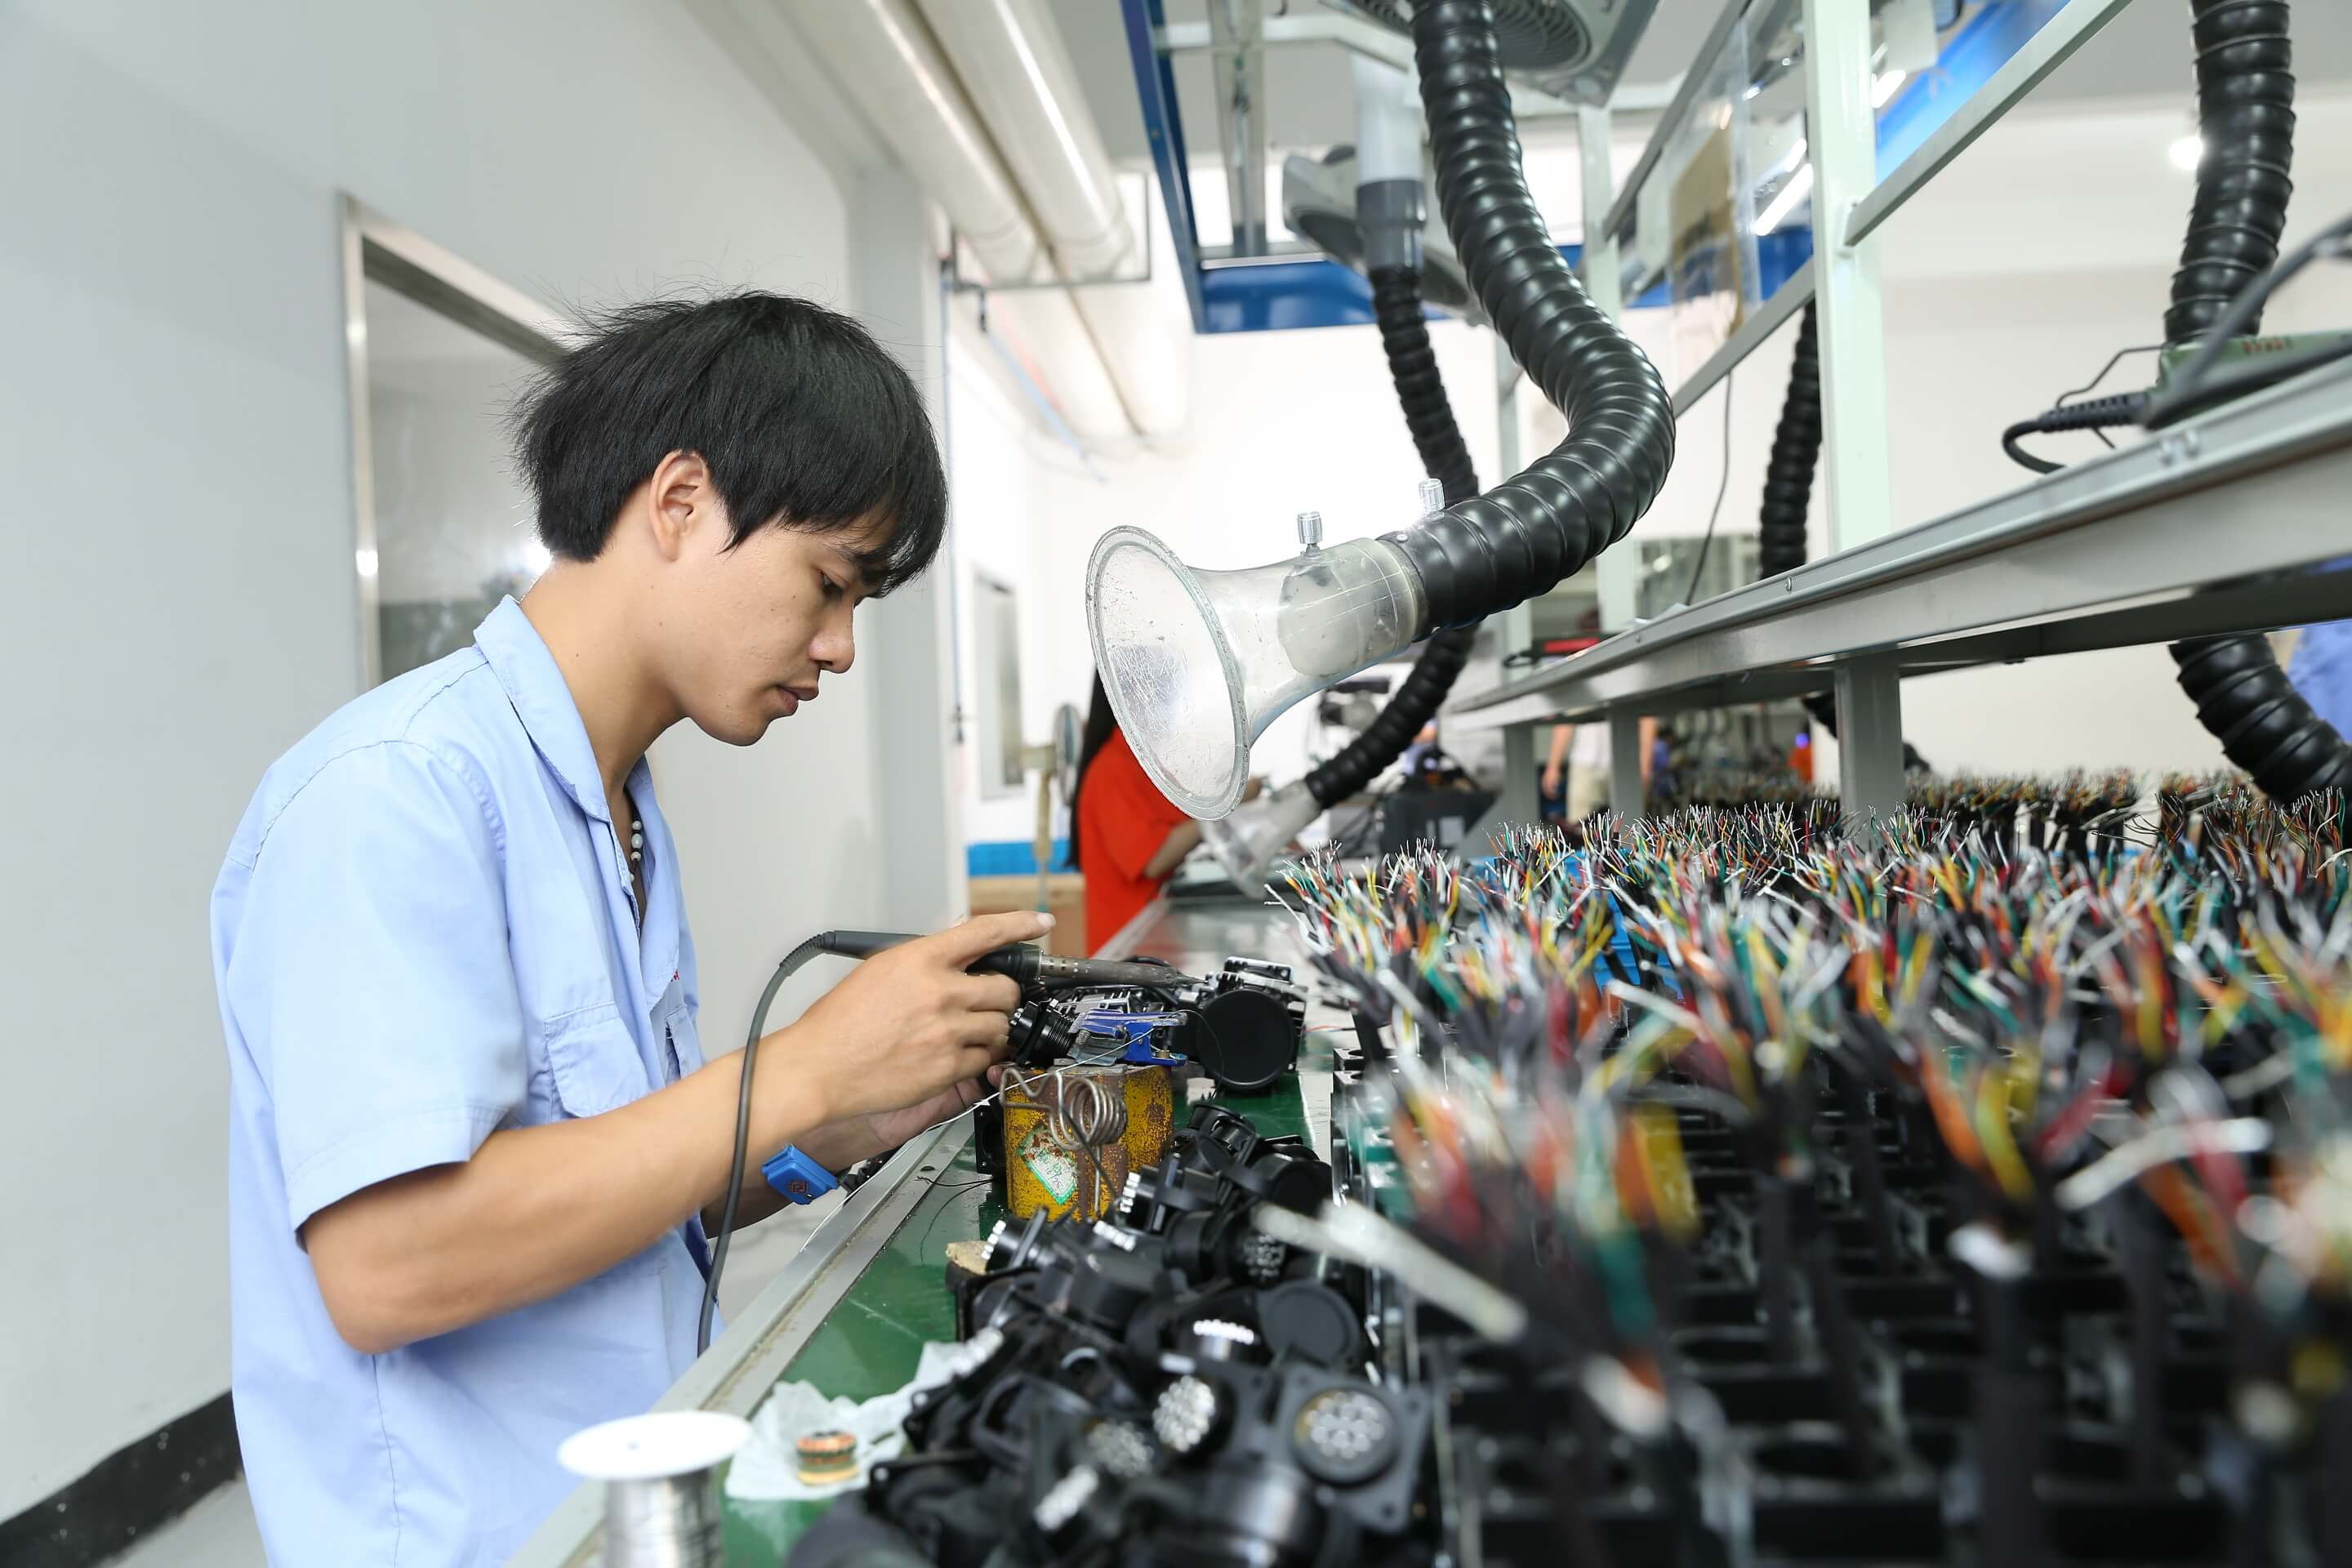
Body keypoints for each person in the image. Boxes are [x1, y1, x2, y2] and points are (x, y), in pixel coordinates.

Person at [211, 292, 1045, 1566]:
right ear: (681, 502)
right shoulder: (396, 794)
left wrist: (845, 1122)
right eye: (830, 583)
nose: (839, 647)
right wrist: (804, 1067)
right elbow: (391, 1267)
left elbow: (626, 1191)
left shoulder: (614, 808)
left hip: (629, 1517)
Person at [1071, 675, 1228, 954]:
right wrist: (1223, 807)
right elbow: (1153, 859)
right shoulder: (1111, 770)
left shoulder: (1147, 763)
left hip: (1157, 945)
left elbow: (1179, 827)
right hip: (1126, 953)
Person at [1541, 717, 1656, 821]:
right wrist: (1553, 766)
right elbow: (1566, 717)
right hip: (1584, 763)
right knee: (1580, 829)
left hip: (1627, 764)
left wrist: (1645, 765)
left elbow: (1647, 718)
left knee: (1630, 825)